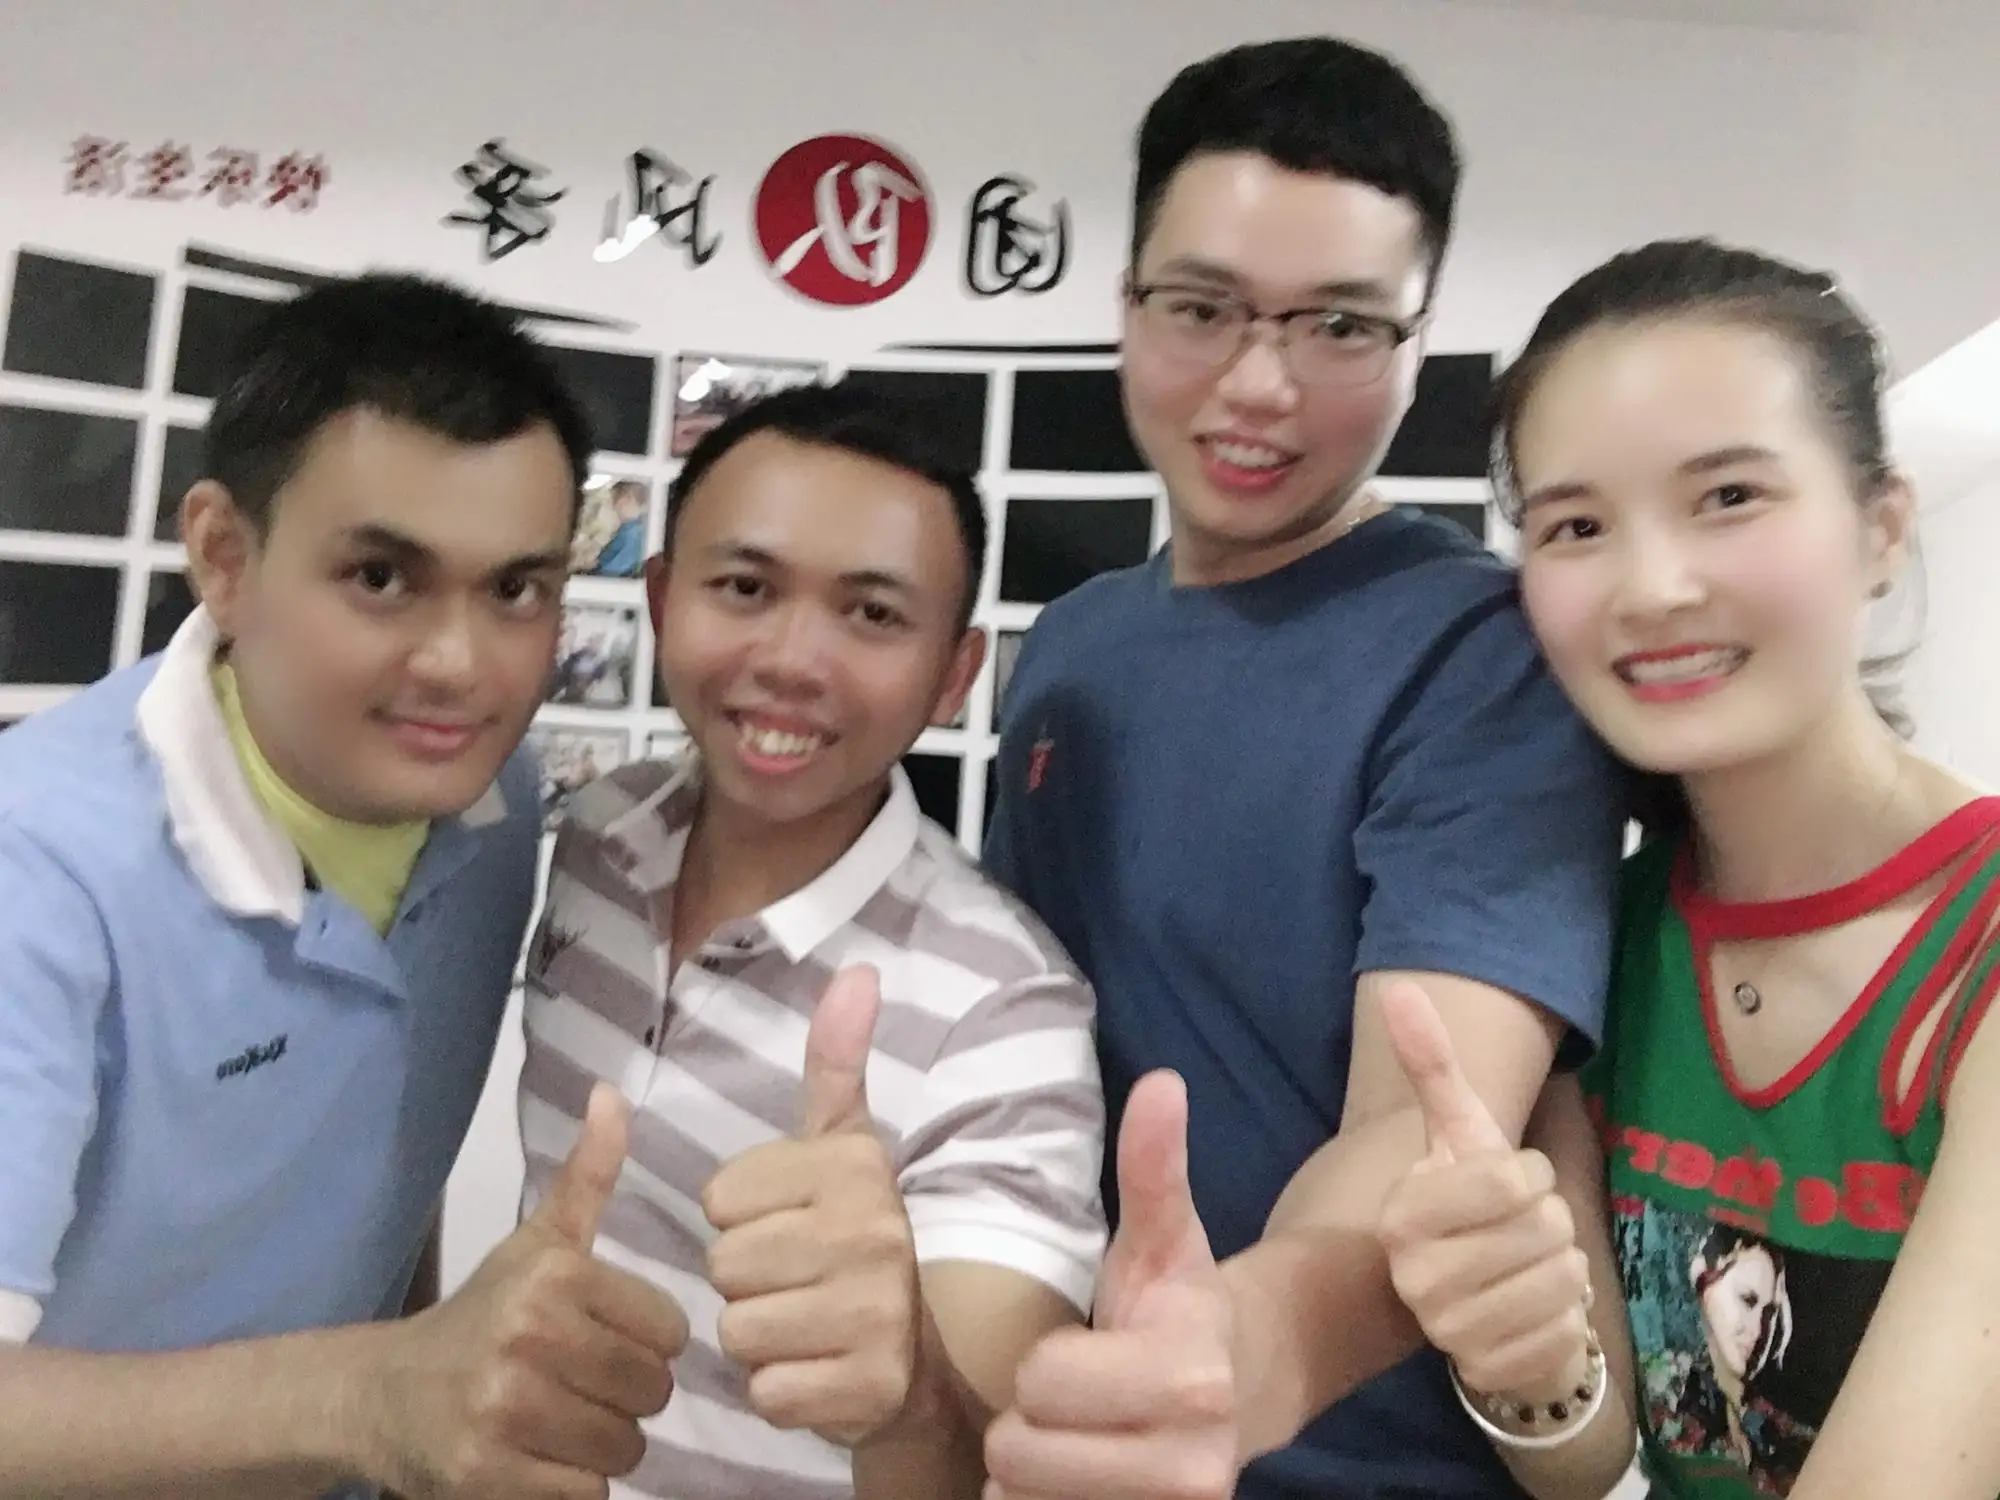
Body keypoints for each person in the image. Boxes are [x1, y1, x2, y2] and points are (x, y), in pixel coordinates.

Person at [978, 34, 1627, 1500]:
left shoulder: (1484, 654)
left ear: (1416, 340)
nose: (1258, 384)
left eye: (1339, 325)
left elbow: (1425, 1121)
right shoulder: (1073, 645)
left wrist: (1240, 1351)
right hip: (1079, 1436)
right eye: (1202, 307)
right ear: (1127, 304)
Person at [0, 271, 690, 1500]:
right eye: (380, 577)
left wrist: (419, 1390)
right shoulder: (34, 871)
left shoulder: (488, 803)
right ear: (224, 555)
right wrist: (373, 1397)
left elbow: (376, 1163)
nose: (460, 666)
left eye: (516, 589)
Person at [1374, 237, 2000, 1500]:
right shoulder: (1589, 938)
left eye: (1726, 497)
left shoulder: (1972, 944)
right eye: (1575, 525)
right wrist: (1525, 1360)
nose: (1652, 588)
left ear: (1879, 529)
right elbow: (1594, 1459)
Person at [517, 380, 1107, 1499]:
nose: (793, 659)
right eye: (745, 588)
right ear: (660, 600)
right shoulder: (598, 840)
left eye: (873, 614)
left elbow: (986, 1457)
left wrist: (907, 1388)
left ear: (953, 676)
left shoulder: (1003, 1014)